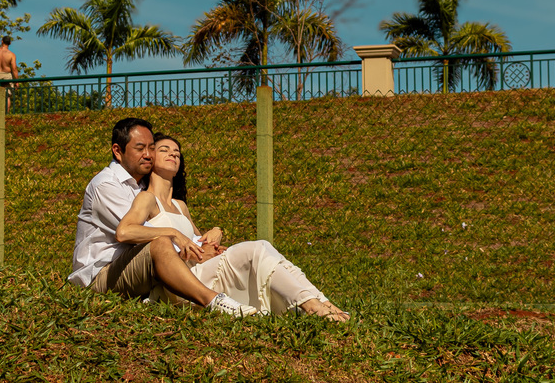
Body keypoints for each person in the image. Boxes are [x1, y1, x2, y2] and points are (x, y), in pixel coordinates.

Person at [117, 132, 350, 320]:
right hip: (179, 284)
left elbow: (201, 248)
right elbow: (125, 231)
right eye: (164, 150)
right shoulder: (147, 199)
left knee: (268, 253)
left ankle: (323, 303)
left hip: (200, 271)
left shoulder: (180, 206)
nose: (173, 155)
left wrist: (213, 236)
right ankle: (310, 305)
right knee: (257, 249)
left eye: (177, 152)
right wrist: (174, 234)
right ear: (151, 158)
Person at [69, 117, 251, 316]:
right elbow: (132, 233)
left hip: (134, 267)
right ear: (117, 151)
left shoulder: (139, 186)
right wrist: (184, 243)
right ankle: (213, 301)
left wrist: (208, 244)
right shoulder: (106, 185)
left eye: (151, 148)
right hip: (101, 275)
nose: (148, 155)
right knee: (160, 243)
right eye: (140, 148)